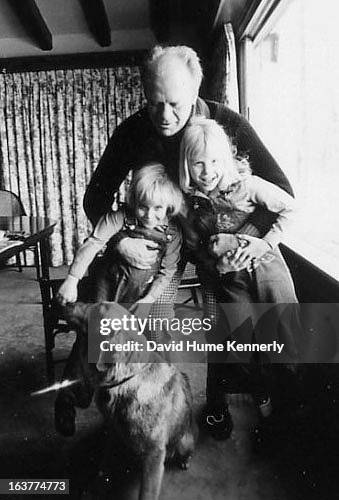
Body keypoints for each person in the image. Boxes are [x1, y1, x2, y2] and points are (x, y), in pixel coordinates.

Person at [56, 43, 294, 435]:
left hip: (214, 243)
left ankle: (216, 405)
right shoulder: (132, 130)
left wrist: (240, 240)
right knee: (142, 321)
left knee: (227, 326)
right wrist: (118, 243)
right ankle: (120, 403)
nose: (164, 116)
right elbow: (94, 197)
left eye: (174, 104)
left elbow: (281, 190)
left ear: (196, 89)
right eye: (154, 103)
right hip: (160, 241)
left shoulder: (228, 123)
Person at [179, 117, 299, 439]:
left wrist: (263, 242)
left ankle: (289, 413)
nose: (207, 171)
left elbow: (290, 208)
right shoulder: (189, 202)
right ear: (187, 165)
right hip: (231, 281)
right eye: (198, 163)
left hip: (268, 268)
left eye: (215, 161)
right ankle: (265, 405)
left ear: (227, 159)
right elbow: (193, 246)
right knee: (242, 347)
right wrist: (213, 259)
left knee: (287, 338)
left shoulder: (248, 186)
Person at [55, 163, 183, 436]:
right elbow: (92, 243)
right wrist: (72, 279)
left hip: (138, 295)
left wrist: (149, 300)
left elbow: (166, 272)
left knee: (138, 339)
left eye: (158, 209)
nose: (149, 215)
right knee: (92, 338)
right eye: (143, 207)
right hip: (107, 284)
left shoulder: (172, 234)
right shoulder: (119, 218)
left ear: (169, 207)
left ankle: (134, 395)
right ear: (133, 201)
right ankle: (68, 399)